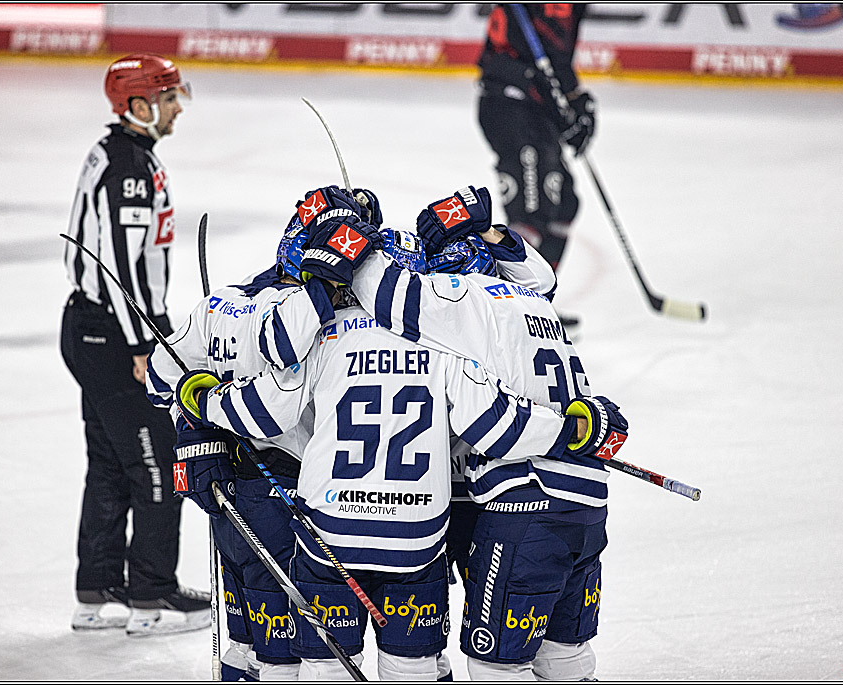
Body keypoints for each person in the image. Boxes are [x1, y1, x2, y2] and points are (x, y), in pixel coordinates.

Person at [173, 188, 590, 681]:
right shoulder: (451, 339)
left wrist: (201, 405)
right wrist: (574, 429)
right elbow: (495, 419)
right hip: (419, 535)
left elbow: (263, 410)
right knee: (416, 667)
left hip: (328, 532)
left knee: (319, 666)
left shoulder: (320, 334)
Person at [348, 185, 629, 680]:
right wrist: (486, 229)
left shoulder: (466, 302)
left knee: (495, 663)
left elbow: (387, 293)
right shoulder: (531, 298)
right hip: (585, 506)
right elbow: (539, 272)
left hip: (527, 507)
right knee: (564, 655)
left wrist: (343, 236)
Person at [145, 207, 354, 678]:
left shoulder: (221, 303)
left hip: (230, 494)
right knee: (288, 649)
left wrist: (196, 422)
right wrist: (206, 413)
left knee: (243, 635)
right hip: (285, 494)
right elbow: (269, 410)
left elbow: (159, 379)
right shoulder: (308, 317)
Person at [60, 53, 208, 636]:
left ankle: (97, 590)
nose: (177, 107)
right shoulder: (129, 168)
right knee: (158, 461)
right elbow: (121, 265)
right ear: (139, 106)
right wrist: (145, 342)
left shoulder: (121, 153)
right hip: (118, 334)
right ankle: (151, 597)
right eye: (168, 97)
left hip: (91, 328)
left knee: (110, 461)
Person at [477, 3, 595, 330]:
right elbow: (536, 58)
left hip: (534, 107)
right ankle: (506, 311)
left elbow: (554, 59)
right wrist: (568, 101)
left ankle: (536, 303)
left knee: (563, 206)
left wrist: (574, 102)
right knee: (530, 213)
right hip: (509, 105)